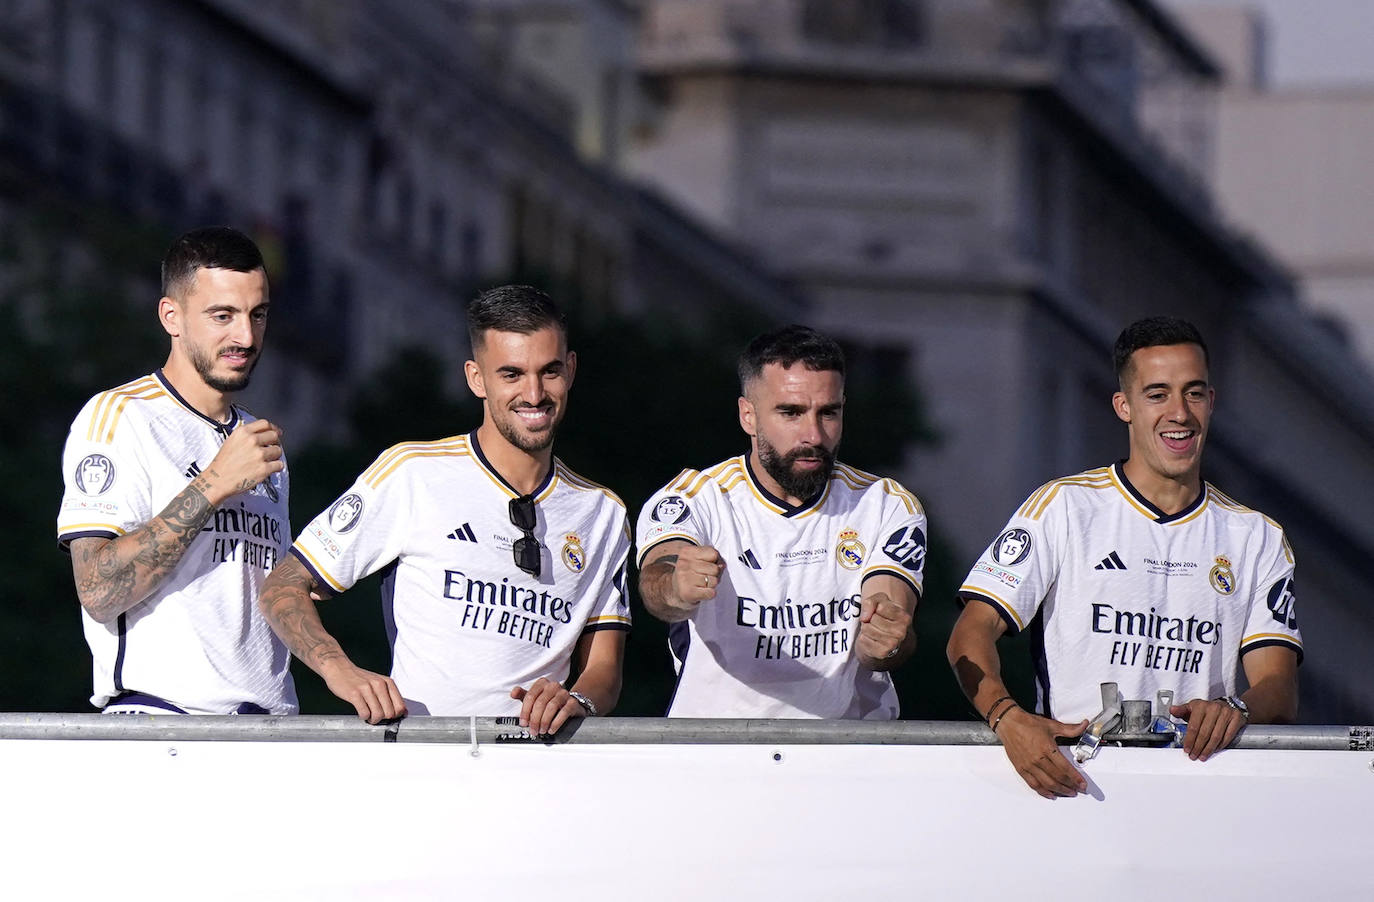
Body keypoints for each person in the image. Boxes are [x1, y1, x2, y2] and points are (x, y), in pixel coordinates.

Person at [947, 316, 1302, 798]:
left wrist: (1236, 710)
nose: (1179, 412)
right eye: (1157, 394)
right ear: (1124, 406)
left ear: (1211, 402)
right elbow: (969, 635)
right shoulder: (1064, 506)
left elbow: (1279, 688)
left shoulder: (1256, 536)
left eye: (1193, 393)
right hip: (1073, 787)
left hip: (1199, 795)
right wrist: (1007, 718)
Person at [259, 285, 630, 731]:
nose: (534, 393)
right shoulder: (413, 472)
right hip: (425, 771)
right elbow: (281, 586)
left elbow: (604, 670)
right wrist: (342, 671)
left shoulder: (603, 512)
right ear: (477, 378)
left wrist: (577, 701)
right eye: (511, 374)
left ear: (570, 370)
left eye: (549, 372)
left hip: (539, 774)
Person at [57, 226, 296, 715]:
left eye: (258, 315)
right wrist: (213, 484)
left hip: (270, 736)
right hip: (162, 724)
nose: (245, 336)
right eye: (222, 316)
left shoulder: (259, 440)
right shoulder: (120, 415)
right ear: (172, 316)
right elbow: (99, 591)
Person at [636, 325, 924, 718]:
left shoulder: (885, 503)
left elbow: (890, 616)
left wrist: (888, 640)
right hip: (716, 755)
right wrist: (676, 585)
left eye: (829, 413)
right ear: (748, 416)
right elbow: (658, 581)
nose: (813, 434)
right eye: (791, 412)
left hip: (846, 757)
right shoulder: (692, 498)